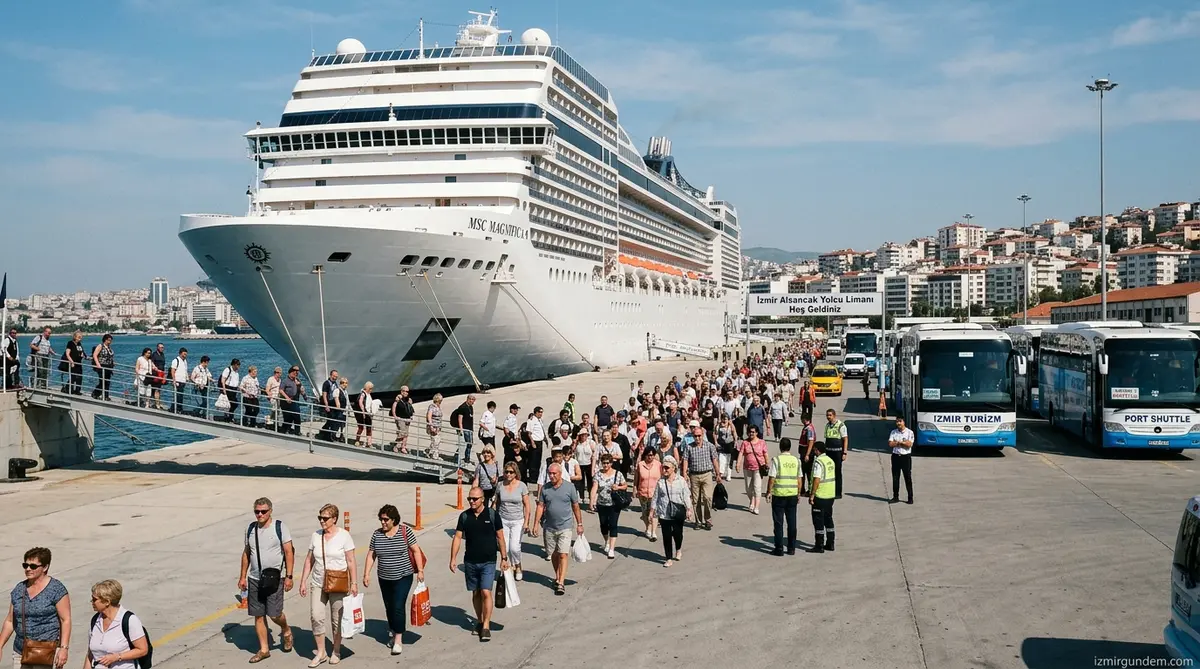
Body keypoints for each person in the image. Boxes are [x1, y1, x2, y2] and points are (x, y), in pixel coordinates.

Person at [299, 504, 357, 667]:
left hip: (338, 582)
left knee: (336, 619)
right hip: (318, 582)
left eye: (325, 518)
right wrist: (303, 580)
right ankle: (321, 652)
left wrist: (354, 582)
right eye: (320, 518)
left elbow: (351, 561)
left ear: (334, 519)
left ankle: (336, 650)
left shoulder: (344, 536)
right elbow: (309, 560)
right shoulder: (316, 536)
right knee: (316, 616)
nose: (322, 521)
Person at [449, 487, 509, 642]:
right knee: (475, 593)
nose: (471, 501)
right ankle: (480, 620)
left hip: (488, 561)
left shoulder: (492, 515)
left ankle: (486, 626)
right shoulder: (464, 517)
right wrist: (453, 558)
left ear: (483, 499)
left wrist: (504, 557)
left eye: (475, 499)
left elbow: (500, 537)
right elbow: (457, 537)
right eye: (470, 499)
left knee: (486, 592)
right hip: (470, 561)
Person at [238, 498, 294, 663]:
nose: (260, 514)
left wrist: (289, 576)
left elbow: (289, 552)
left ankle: (286, 629)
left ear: (270, 511)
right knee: (258, 615)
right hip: (255, 578)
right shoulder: (250, 529)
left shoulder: (280, 527)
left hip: (274, 578)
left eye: (263, 511)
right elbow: (247, 553)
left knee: (275, 614)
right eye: (257, 511)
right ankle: (264, 649)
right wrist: (242, 576)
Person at [364, 504, 424, 656]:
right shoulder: (377, 535)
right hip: (384, 577)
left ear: (394, 520)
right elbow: (371, 555)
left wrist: (420, 571)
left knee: (398, 605)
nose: (383, 522)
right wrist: (366, 574)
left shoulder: (405, 531)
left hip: (404, 576)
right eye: (381, 519)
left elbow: (416, 550)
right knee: (389, 606)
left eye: (386, 520)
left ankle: (398, 638)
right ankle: (393, 628)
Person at [0, 547, 71, 669]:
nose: (28, 569)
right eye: (25, 565)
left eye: (33, 566)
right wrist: (0, 645)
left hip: (47, 650)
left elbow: (66, 620)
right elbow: (10, 620)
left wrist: (64, 648)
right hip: (21, 651)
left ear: (45, 567)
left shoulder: (56, 589)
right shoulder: (19, 589)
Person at [530, 462, 584, 595]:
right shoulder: (545, 489)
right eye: (550, 473)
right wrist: (536, 523)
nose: (552, 476)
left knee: (563, 554)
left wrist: (580, 524)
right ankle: (558, 575)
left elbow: (575, 506)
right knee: (553, 554)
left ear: (560, 474)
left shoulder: (569, 487)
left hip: (565, 526)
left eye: (554, 473)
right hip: (549, 527)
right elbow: (541, 506)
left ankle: (561, 582)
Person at [84, 580, 148, 669]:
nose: (91, 602)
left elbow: (143, 650)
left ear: (107, 602)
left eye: (95, 599)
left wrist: (117, 657)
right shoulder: (95, 620)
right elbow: (90, 654)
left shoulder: (129, 620)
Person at [680, 421, 721, 530]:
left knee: (708, 498)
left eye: (699, 436)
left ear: (702, 435)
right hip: (694, 475)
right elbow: (685, 460)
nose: (697, 438)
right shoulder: (689, 447)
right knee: (695, 499)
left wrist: (718, 474)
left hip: (707, 474)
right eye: (695, 436)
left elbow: (715, 460)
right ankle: (698, 521)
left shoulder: (710, 446)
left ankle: (708, 519)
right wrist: (684, 474)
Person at [653, 456, 693, 567]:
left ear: (673, 468)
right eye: (663, 467)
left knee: (677, 533)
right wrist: (652, 511)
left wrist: (689, 509)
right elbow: (655, 497)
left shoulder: (681, 481)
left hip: (677, 512)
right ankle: (668, 558)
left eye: (667, 468)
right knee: (666, 536)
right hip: (664, 513)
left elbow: (686, 496)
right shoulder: (660, 482)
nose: (664, 470)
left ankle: (678, 549)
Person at [496, 462, 532, 581]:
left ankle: (518, 566)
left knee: (514, 547)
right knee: (504, 548)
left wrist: (526, 522)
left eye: (511, 472)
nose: (508, 474)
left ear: (516, 473)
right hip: (503, 520)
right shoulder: (500, 485)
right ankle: (507, 567)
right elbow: (497, 503)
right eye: (506, 472)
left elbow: (527, 505)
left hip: (518, 520)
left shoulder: (522, 486)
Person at [765, 437, 801, 556]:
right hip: (792, 494)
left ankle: (779, 549)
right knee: (792, 523)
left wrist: (768, 492)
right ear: (790, 447)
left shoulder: (776, 460)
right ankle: (791, 548)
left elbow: (772, 478)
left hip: (779, 495)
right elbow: (799, 479)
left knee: (778, 523)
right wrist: (799, 493)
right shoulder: (796, 460)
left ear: (780, 447)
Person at [589, 453, 628, 559]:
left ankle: (611, 549)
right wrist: (591, 501)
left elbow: (625, 486)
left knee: (613, 524)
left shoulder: (618, 474)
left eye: (607, 463)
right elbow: (594, 488)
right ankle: (606, 541)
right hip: (602, 503)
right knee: (603, 525)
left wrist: (618, 488)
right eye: (603, 463)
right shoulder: (598, 474)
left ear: (611, 463)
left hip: (614, 504)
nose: (605, 465)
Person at [808, 441, 837, 553]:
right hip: (830, 495)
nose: (813, 452)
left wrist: (812, 494)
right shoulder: (830, 461)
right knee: (828, 519)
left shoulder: (818, 462)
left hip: (820, 495)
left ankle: (819, 545)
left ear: (817, 450)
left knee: (818, 521)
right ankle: (830, 543)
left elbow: (817, 479)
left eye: (814, 450)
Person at [736, 425, 768, 515]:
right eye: (750, 432)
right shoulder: (745, 442)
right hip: (747, 468)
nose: (751, 433)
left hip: (759, 468)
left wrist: (767, 464)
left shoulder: (762, 442)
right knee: (748, 488)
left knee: (757, 487)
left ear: (757, 433)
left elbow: (765, 454)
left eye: (753, 432)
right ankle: (752, 500)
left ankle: (756, 506)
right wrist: (738, 464)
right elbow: (741, 453)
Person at [634, 446, 662, 541]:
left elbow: (662, 479)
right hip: (643, 492)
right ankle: (648, 528)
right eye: (648, 455)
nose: (650, 457)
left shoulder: (658, 465)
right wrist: (635, 489)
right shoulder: (640, 465)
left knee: (654, 513)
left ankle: (653, 532)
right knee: (645, 513)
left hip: (655, 493)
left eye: (652, 455)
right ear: (645, 455)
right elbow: (636, 478)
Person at [822, 409, 849, 499]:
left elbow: (845, 439)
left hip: (837, 452)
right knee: (829, 472)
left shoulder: (840, 425)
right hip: (829, 452)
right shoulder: (827, 425)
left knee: (837, 472)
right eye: (827, 415)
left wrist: (844, 452)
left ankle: (838, 492)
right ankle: (830, 491)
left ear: (834, 415)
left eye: (830, 415)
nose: (828, 417)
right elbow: (826, 439)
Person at [889, 417, 915, 504]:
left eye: (900, 421)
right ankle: (895, 497)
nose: (898, 423)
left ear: (904, 422)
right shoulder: (893, 432)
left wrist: (899, 443)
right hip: (896, 456)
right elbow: (890, 443)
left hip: (905, 457)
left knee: (907, 477)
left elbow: (909, 444)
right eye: (897, 421)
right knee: (895, 478)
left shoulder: (909, 432)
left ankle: (910, 498)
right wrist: (900, 443)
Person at [278, 366, 304, 436]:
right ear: (290, 372)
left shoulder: (297, 380)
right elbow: (281, 390)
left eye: (296, 373)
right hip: (287, 402)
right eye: (294, 373)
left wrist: (303, 394)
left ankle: (296, 431)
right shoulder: (285, 381)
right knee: (288, 418)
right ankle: (284, 430)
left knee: (296, 417)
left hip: (295, 401)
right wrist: (286, 397)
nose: (295, 374)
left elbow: (300, 389)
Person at [451, 395, 476, 466]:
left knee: (469, 444)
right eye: (471, 399)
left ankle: (467, 458)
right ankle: (459, 457)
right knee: (464, 444)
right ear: (468, 399)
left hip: (469, 429)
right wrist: (461, 429)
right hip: (464, 429)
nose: (472, 401)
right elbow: (460, 419)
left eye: (473, 400)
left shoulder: (471, 407)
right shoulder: (462, 407)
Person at [90, 334, 115, 401]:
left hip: (109, 367)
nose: (110, 342)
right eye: (108, 340)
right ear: (105, 340)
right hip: (102, 366)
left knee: (107, 382)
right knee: (102, 381)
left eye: (110, 340)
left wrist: (113, 363)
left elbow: (110, 357)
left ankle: (106, 396)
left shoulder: (109, 348)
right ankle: (95, 393)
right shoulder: (100, 346)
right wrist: (98, 364)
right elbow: (95, 355)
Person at [390, 386, 414, 453]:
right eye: (405, 391)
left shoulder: (409, 399)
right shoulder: (398, 398)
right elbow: (394, 407)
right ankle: (396, 445)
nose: (406, 393)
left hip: (407, 418)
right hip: (400, 418)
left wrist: (411, 415)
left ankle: (403, 447)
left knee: (406, 434)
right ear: (401, 391)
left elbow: (410, 408)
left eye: (407, 391)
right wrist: (395, 416)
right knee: (402, 433)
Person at [798, 415, 817, 495]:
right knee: (802, 472)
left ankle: (809, 490)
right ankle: (802, 489)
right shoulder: (806, 427)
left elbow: (811, 442)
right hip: (803, 452)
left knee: (808, 473)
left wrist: (807, 454)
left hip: (807, 453)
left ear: (805, 419)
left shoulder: (809, 429)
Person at [319, 370, 341, 441]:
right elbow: (324, 395)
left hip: (333, 404)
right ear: (330, 375)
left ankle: (324, 432)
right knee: (330, 419)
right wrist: (326, 405)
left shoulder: (335, 384)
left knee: (332, 420)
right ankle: (326, 434)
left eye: (336, 377)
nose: (335, 378)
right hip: (328, 404)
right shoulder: (326, 383)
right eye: (334, 376)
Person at [715, 414, 737, 480]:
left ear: (728, 419)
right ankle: (721, 473)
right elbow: (715, 434)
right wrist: (716, 442)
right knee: (721, 459)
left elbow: (734, 433)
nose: (724, 420)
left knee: (729, 460)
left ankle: (728, 475)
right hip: (722, 445)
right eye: (723, 419)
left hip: (730, 444)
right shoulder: (718, 426)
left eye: (726, 419)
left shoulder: (731, 425)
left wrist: (735, 441)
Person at [354, 381, 375, 448]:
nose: (371, 390)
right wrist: (363, 411)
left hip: (368, 413)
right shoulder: (363, 394)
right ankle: (357, 440)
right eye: (370, 388)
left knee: (369, 428)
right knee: (361, 427)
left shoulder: (369, 395)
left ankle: (369, 443)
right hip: (363, 412)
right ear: (367, 388)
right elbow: (360, 402)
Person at [64, 331, 84, 396]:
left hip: (79, 363)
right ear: (75, 337)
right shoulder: (70, 343)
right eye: (79, 337)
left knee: (79, 377)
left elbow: (81, 352)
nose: (80, 339)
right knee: (73, 377)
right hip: (73, 363)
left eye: (81, 337)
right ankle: (69, 388)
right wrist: (72, 362)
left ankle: (77, 390)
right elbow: (67, 354)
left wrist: (83, 355)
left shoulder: (79, 344)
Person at [149, 343, 167, 410]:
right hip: (155, 374)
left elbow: (163, 365)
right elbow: (151, 363)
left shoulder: (162, 354)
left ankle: (157, 403)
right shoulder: (154, 354)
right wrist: (156, 369)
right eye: (161, 347)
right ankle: (156, 404)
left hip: (161, 374)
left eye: (163, 347)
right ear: (157, 348)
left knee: (159, 389)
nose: (162, 348)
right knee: (155, 389)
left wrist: (164, 374)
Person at [426, 394, 444, 459]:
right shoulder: (432, 406)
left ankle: (428, 451)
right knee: (436, 441)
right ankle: (435, 456)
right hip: (433, 427)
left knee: (437, 440)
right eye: (440, 399)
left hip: (438, 427)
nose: (441, 401)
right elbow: (429, 416)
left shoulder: (438, 406)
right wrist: (431, 426)